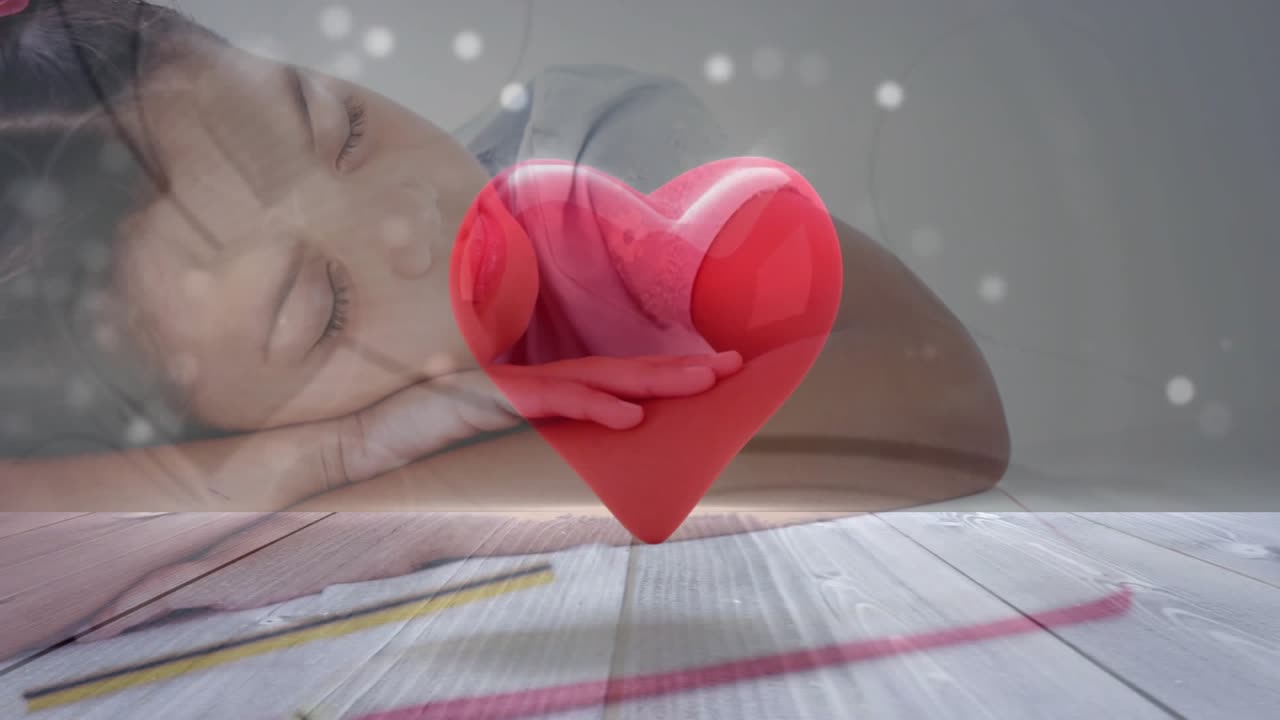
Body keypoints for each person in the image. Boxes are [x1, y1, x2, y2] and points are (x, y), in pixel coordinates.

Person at [0, 0, 1010, 655]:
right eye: (322, 306)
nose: (407, 214)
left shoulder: (588, 159)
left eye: (341, 127)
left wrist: (380, 505)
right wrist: (300, 463)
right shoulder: (190, 463)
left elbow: (938, 402)